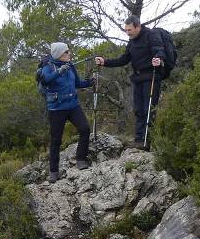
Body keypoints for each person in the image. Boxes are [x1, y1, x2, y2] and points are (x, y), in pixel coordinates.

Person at [94, 15, 164, 149]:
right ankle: (138, 140)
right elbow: (124, 59)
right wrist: (105, 62)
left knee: (148, 109)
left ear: (138, 27)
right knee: (138, 109)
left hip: (151, 77)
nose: (127, 33)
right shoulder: (131, 41)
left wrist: (158, 59)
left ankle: (147, 141)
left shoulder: (151, 35)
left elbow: (159, 50)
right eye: (126, 30)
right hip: (138, 78)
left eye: (129, 30)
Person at [38, 41, 94, 182]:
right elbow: (45, 80)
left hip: (73, 105)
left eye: (68, 52)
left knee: (85, 129)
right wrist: (58, 72)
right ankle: (54, 172)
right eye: (66, 52)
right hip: (56, 108)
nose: (69, 54)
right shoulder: (47, 66)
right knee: (56, 140)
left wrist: (90, 82)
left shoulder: (70, 66)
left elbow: (77, 83)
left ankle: (81, 159)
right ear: (59, 55)